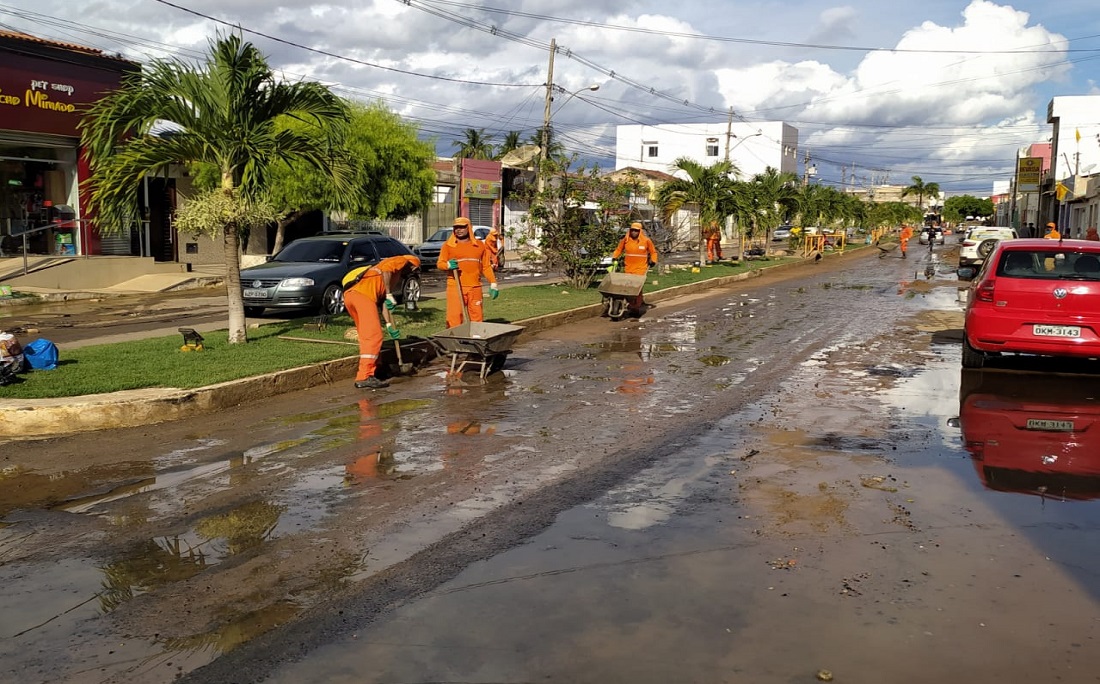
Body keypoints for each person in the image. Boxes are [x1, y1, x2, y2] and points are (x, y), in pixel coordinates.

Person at [341, 254, 420, 389]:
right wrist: (389, 292)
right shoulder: (402, 261)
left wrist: (389, 325)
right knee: (373, 337)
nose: (412, 272)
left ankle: (377, 368)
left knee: (367, 336)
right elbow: (387, 269)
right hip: (362, 296)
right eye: (414, 268)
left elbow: (384, 302)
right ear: (412, 265)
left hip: (351, 296)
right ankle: (364, 377)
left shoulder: (388, 276)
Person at [438, 217, 498, 328]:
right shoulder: (448, 246)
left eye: (462, 227)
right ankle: (454, 341)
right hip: (456, 287)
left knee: (477, 317)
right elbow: (440, 263)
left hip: (475, 287)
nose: (458, 230)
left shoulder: (479, 246)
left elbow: (486, 266)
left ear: (468, 228)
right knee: (454, 318)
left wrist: (493, 283)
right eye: (456, 227)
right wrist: (447, 265)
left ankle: (476, 340)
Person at [611, 221, 658, 314]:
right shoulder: (626, 240)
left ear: (640, 231)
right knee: (628, 287)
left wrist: (653, 260)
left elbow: (653, 252)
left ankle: (636, 306)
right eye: (632, 230)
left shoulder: (646, 241)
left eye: (636, 230)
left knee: (637, 288)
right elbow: (619, 249)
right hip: (628, 268)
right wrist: (615, 257)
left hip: (640, 269)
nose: (634, 232)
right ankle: (629, 303)